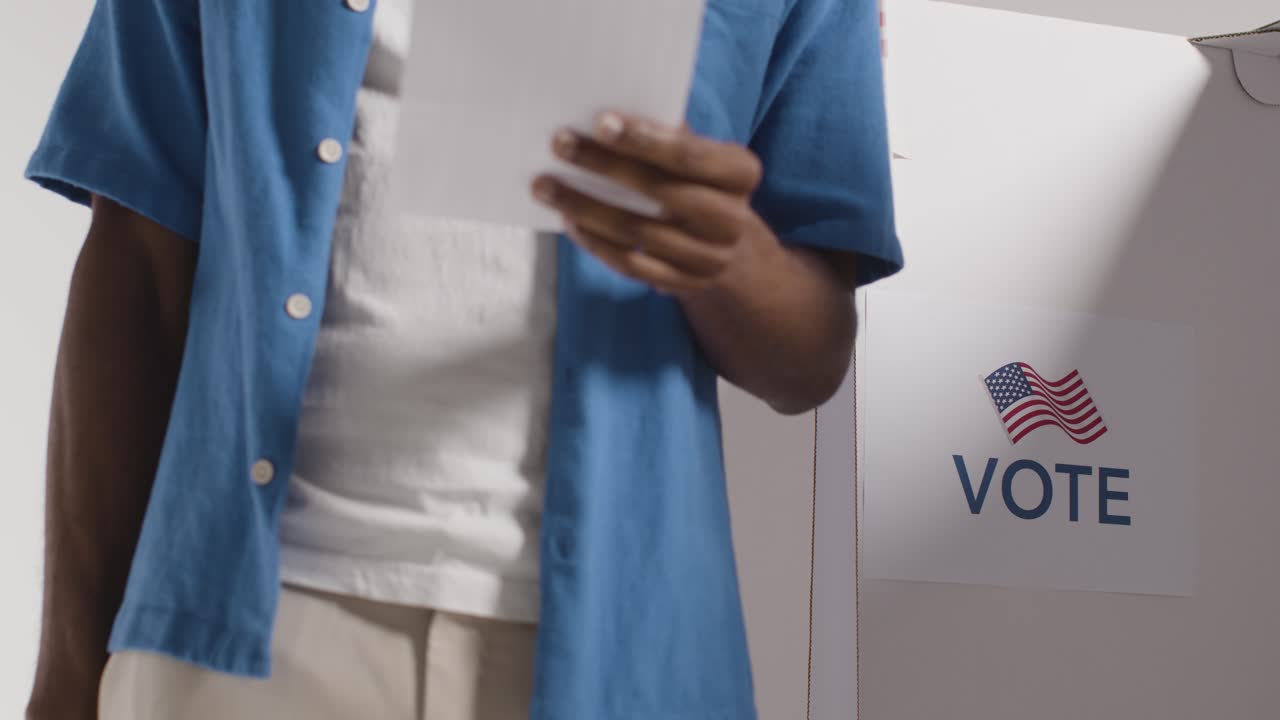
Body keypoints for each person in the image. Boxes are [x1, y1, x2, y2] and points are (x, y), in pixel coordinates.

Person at [23, 0, 902, 718]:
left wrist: (725, 259)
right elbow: (135, 266)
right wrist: (64, 680)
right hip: (242, 641)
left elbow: (811, 354)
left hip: (622, 657)